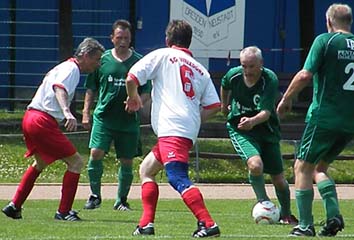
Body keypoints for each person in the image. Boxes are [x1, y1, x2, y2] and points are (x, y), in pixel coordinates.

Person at [125, 20, 221, 238]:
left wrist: (133, 98)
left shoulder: (162, 55)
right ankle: (146, 224)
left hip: (172, 128)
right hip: (183, 129)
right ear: (189, 41)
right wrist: (193, 120)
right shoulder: (201, 69)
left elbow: (131, 77)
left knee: (177, 177)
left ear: (168, 40)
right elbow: (215, 106)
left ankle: (208, 223)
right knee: (147, 170)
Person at [1, 37, 105, 221]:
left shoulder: (64, 67)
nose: (97, 64)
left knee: (40, 163)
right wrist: (67, 112)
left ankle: (14, 206)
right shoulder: (72, 69)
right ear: (86, 55)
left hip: (31, 117)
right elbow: (59, 88)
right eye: (96, 59)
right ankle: (63, 212)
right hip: (42, 120)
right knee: (76, 163)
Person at [277, 3, 353, 237]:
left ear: (328, 21)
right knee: (320, 168)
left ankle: (305, 225)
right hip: (349, 122)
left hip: (324, 117)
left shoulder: (325, 40)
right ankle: (333, 216)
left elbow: (305, 74)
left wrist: (286, 99)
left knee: (301, 166)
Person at [220, 46, 298, 225]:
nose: (247, 71)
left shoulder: (269, 79)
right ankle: (264, 203)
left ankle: (286, 214)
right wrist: (224, 106)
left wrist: (252, 121)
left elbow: (266, 112)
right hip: (240, 129)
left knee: (279, 179)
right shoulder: (234, 75)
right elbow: (225, 85)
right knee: (255, 165)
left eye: (252, 66)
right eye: (244, 66)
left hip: (266, 130)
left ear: (261, 64)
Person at [82, 19, 151, 211]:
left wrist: (137, 103)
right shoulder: (101, 60)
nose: (122, 41)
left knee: (127, 160)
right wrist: (85, 112)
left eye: (126, 38)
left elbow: (146, 90)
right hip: (104, 117)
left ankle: (121, 200)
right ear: (112, 38)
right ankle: (95, 195)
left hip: (128, 121)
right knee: (96, 153)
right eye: (119, 37)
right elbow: (91, 88)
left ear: (130, 39)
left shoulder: (139, 61)